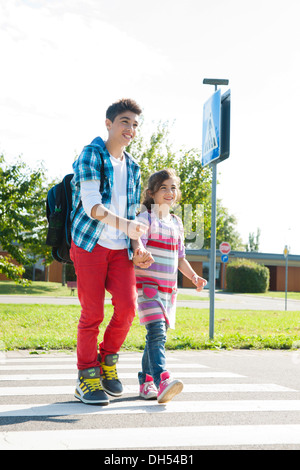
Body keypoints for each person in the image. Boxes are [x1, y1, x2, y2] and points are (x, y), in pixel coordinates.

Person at [70, 98, 153, 406]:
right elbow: (93, 206)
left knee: (128, 309)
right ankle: (86, 376)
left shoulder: (133, 166)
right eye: (124, 122)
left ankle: (107, 362)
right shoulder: (92, 153)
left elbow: (132, 212)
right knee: (92, 313)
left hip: (120, 249)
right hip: (90, 244)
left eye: (134, 124)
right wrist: (128, 227)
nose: (130, 129)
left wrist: (138, 245)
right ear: (109, 124)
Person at [132, 168, 207, 404]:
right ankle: (163, 379)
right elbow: (137, 242)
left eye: (173, 187)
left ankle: (145, 382)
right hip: (147, 288)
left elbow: (180, 258)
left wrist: (194, 277)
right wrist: (140, 249)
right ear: (151, 194)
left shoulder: (176, 222)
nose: (169, 192)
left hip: (168, 292)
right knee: (157, 334)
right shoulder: (146, 217)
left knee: (154, 336)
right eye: (163, 187)